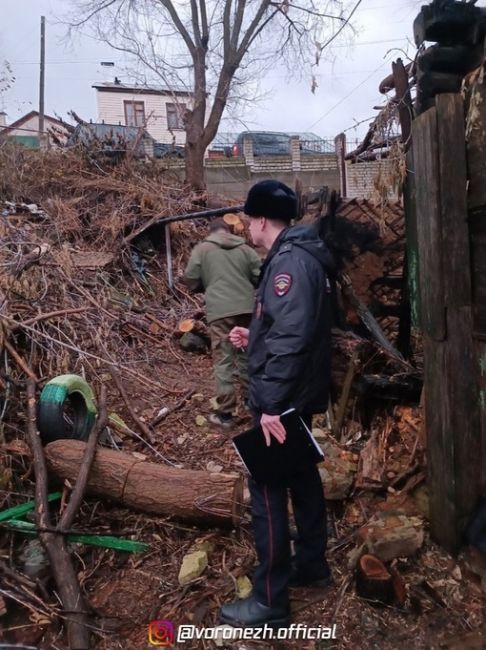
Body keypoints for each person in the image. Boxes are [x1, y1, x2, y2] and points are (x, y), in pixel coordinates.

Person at [219, 180, 335, 629]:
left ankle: (270, 601)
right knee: (302, 476)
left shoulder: (289, 263)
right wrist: (256, 336)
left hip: (282, 399)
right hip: (297, 394)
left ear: (261, 220)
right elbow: (290, 329)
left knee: (266, 492)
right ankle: (312, 565)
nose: (248, 226)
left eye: (250, 219)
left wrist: (268, 404)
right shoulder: (301, 255)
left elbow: (292, 338)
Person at [184, 217, 261, 428]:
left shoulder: (203, 249)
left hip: (219, 312)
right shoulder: (245, 249)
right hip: (247, 308)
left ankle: (226, 414)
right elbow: (261, 275)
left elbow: (190, 279)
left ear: (211, 232)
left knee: (224, 358)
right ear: (228, 231)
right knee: (246, 354)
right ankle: (251, 402)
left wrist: (207, 285)